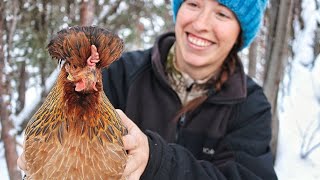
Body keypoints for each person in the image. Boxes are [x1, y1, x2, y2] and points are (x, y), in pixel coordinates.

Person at [18, 0, 278, 179]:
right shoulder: (121, 74)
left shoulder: (250, 106)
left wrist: (156, 161)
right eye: (194, 4)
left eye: (222, 13)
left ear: (240, 31)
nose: (201, 24)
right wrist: (44, 156)